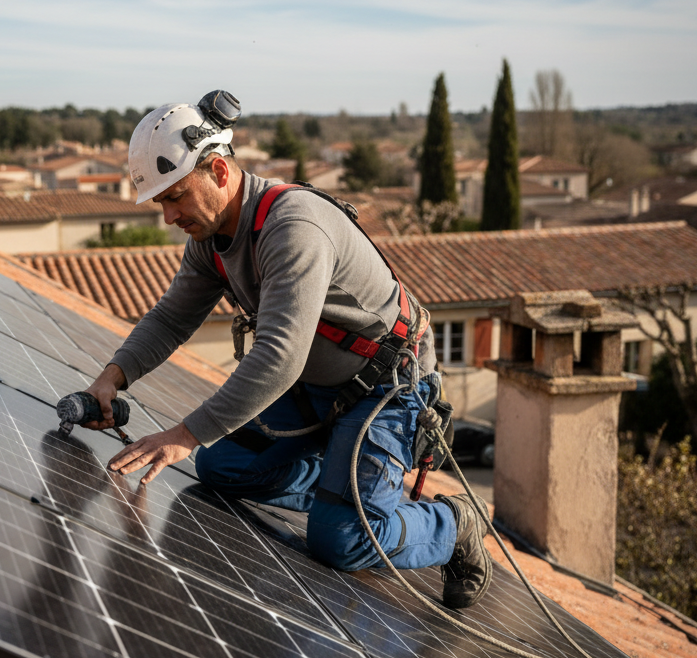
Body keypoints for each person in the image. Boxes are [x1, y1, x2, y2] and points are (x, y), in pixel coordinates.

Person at [83, 93, 492, 609]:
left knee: (339, 541)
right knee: (220, 469)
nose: (168, 216)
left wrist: (186, 434)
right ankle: (346, 492)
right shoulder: (210, 238)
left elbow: (280, 354)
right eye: (161, 202)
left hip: (384, 391)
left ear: (219, 171)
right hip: (314, 391)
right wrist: (111, 378)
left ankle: (452, 522)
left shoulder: (292, 226)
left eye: (176, 197)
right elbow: (171, 318)